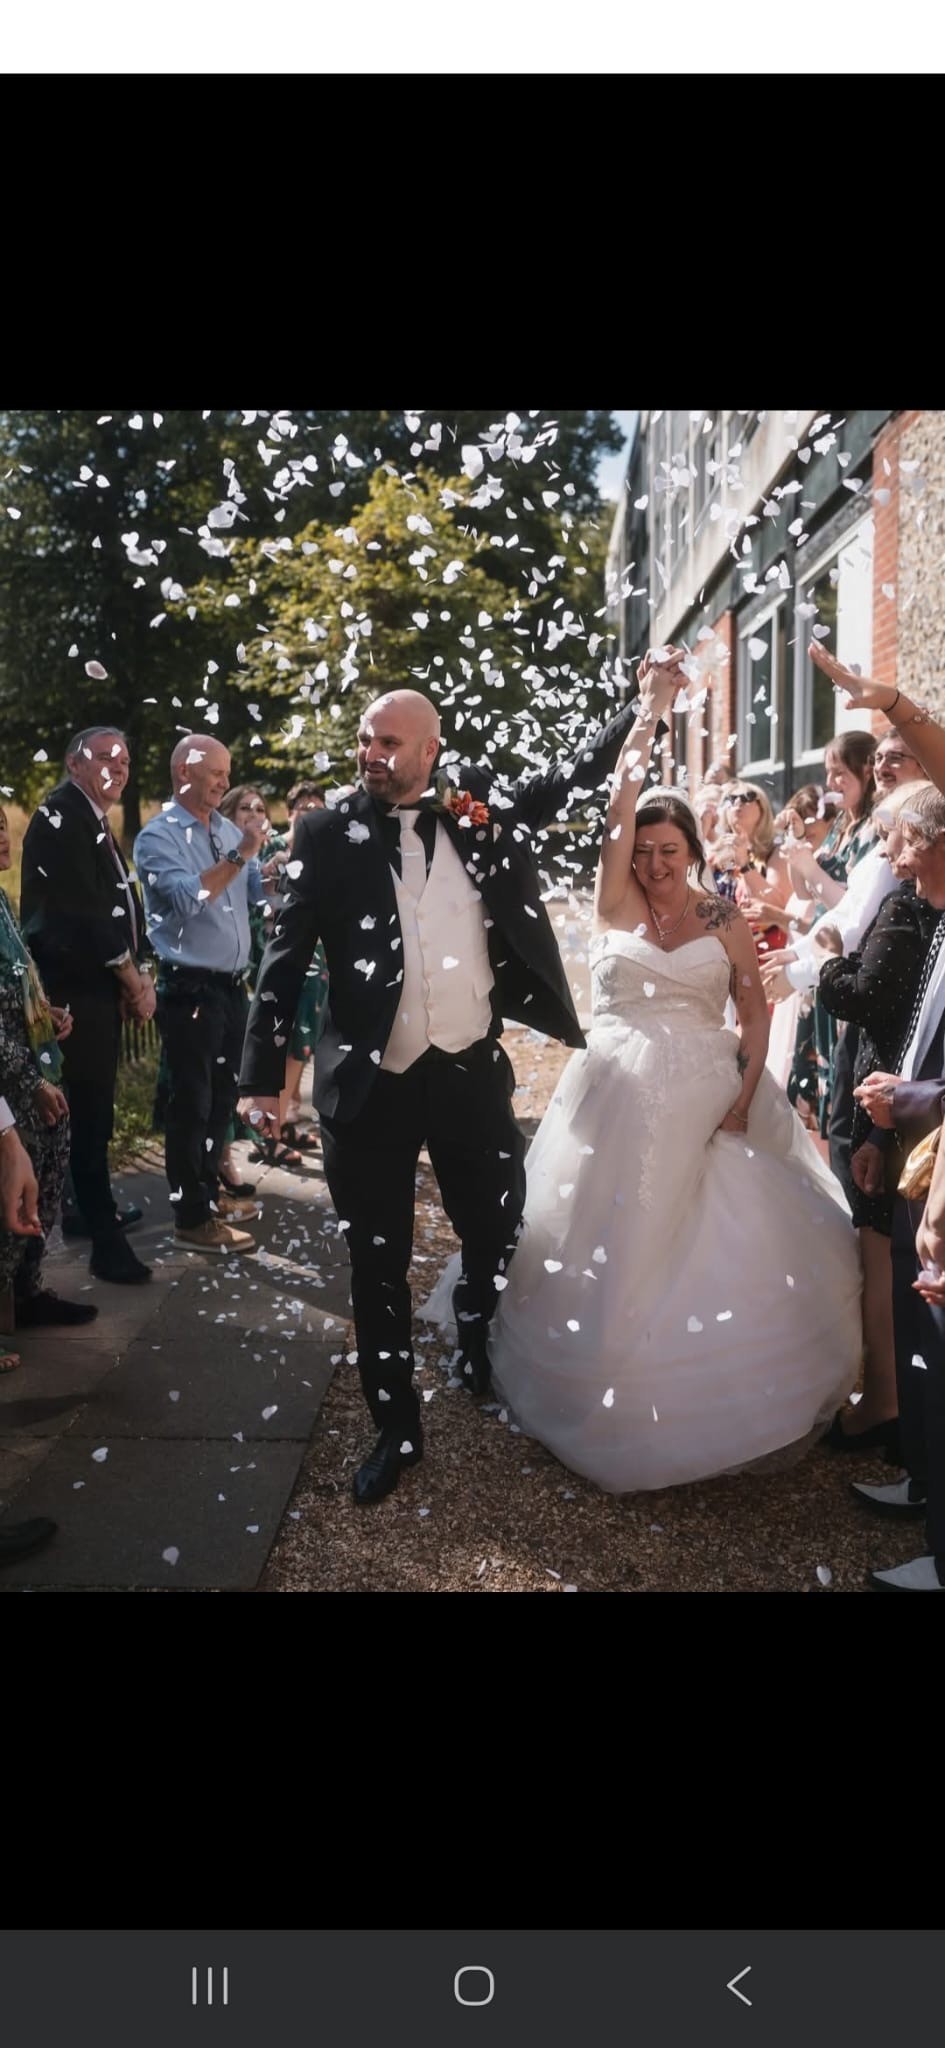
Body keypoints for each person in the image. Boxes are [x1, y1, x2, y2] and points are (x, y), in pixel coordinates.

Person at [422, 650, 862, 1495]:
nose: (654, 862)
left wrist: (741, 1095)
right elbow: (619, 799)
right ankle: (595, 1376)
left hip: (708, 1095)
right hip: (615, 1093)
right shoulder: (613, 903)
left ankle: (706, 1389)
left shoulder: (721, 914)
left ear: (691, 851)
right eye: (644, 850)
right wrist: (650, 708)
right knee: (600, 1229)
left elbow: (754, 1009)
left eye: (669, 850)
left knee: (719, 1232)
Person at [238, 681, 651, 1505]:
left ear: (431, 748)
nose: (372, 755)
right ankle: (395, 1427)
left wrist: (645, 707)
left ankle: (474, 1330)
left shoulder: (478, 813)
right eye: (365, 739)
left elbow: (573, 775)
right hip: (369, 1086)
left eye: (390, 742)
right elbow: (284, 958)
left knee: (498, 1226)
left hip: (466, 1071)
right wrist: (259, 1081)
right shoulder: (322, 834)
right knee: (377, 1261)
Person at [817, 782, 942, 1450]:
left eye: (895, 834)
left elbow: (866, 998)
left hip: (910, 1114)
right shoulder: (925, 909)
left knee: (892, 1262)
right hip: (897, 1112)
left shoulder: (904, 911)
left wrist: (831, 957)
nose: (885, 846)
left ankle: (890, 1411)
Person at [19, 727, 155, 1286]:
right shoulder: (63, 815)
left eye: (124, 759)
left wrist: (134, 970)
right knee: (91, 1114)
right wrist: (132, 978)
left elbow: (120, 900)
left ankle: (83, 1210)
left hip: (98, 988)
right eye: (105, 758)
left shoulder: (90, 814)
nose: (118, 768)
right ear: (76, 764)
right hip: (74, 991)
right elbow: (86, 913)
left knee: (93, 1113)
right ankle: (105, 1241)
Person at [134, 736, 270, 1254]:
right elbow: (189, 900)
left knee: (220, 1104)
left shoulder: (228, 829)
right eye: (215, 773)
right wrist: (241, 854)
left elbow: (252, 892)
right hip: (190, 989)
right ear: (184, 771)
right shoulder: (157, 837)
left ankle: (209, 1197)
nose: (223, 782)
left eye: (226, 773)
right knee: (190, 1106)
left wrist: (278, 876)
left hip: (231, 988)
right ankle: (190, 1218)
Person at [0, 804, 94, 1357]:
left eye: (2, 828)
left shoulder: (3, 903)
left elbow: (14, 986)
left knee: (44, 1192)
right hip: (13, 1085)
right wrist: (29, 1077)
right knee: (12, 1197)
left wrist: (45, 1011)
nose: (2, 838)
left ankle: (25, 1293)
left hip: (34, 1069)